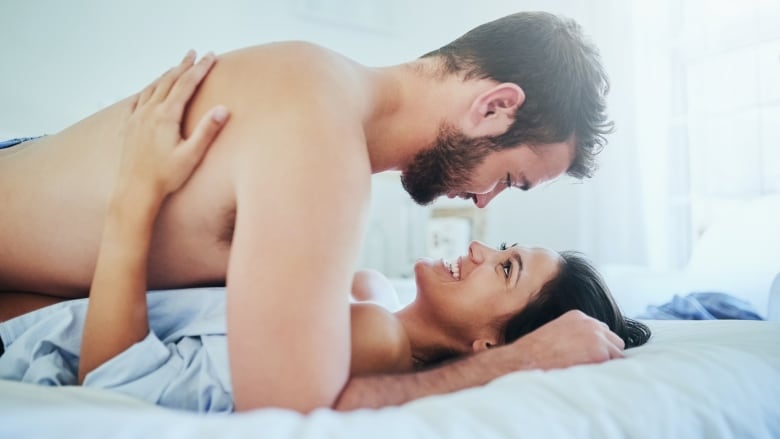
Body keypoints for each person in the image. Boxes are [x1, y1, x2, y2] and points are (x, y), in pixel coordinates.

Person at [0, 11, 614, 412]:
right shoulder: (322, 140)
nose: (484, 203)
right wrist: (523, 359)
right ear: (495, 107)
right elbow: (287, 409)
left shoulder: (320, 89)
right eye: (508, 177)